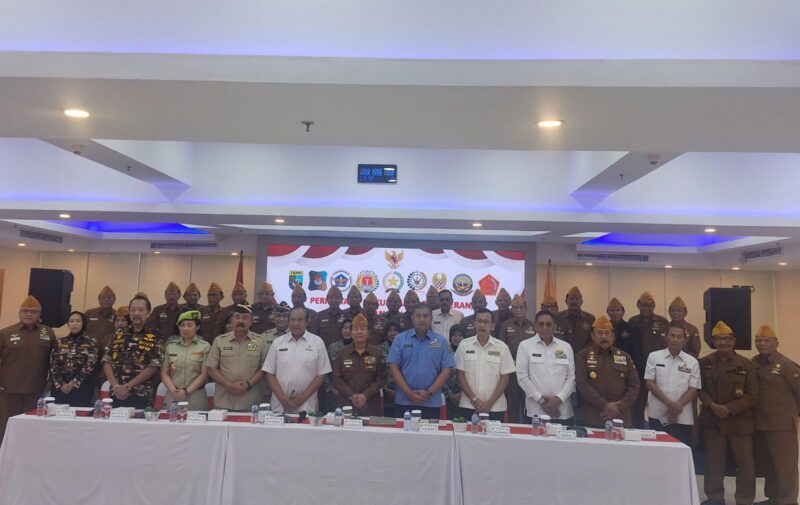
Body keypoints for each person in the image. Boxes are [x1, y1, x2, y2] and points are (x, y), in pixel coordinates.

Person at [699, 321, 758, 505]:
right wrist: (712, 405)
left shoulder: (746, 364)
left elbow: (753, 394)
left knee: (745, 464)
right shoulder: (705, 363)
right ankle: (715, 497)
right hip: (713, 420)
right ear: (713, 342)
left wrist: (729, 409)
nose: (723, 342)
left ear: (733, 341)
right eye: (719, 339)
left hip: (740, 422)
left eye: (727, 339)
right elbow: (700, 389)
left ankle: (745, 499)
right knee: (714, 462)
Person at [751, 324, 800, 505]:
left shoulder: (787, 365)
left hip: (782, 426)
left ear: (776, 343)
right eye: (758, 340)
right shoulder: (753, 363)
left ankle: (788, 501)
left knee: (785, 466)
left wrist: (793, 416)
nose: (762, 344)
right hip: (760, 423)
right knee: (769, 465)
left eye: (766, 341)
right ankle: (772, 498)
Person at [0, 296, 56, 439]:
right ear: (19, 313)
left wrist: (51, 380)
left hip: (36, 391)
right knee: (7, 427)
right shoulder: (5, 333)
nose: (29, 314)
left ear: (39, 314)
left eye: (33, 311)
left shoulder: (48, 333)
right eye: (25, 311)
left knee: (31, 427)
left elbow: (55, 359)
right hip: (9, 390)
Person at [388, 303, 455, 420]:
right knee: (403, 432)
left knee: (429, 432)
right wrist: (409, 393)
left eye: (425, 316)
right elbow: (393, 368)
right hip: (404, 401)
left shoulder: (442, 341)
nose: (422, 319)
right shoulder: (400, 339)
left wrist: (429, 393)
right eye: (418, 316)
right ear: (412, 318)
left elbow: (446, 371)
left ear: (431, 319)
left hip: (431, 402)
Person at [263, 307, 331, 414]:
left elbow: (321, 374)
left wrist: (302, 398)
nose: (296, 323)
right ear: (288, 321)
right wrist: (283, 399)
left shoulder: (318, 342)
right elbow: (269, 373)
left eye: (300, 320)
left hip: (307, 406)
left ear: (307, 322)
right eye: (293, 320)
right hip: (279, 406)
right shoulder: (277, 343)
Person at [575, 315, 640, 427]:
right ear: (593, 336)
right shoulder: (582, 356)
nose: (604, 337)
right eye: (599, 333)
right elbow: (582, 384)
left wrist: (619, 407)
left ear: (613, 336)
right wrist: (604, 405)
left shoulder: (625, 356)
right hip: (595, 416)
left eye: (607, 333)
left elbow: (635, 385)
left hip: (620, 417)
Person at [102, 295, 164, 408]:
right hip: (116, 393)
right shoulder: (118, 333)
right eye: (133, 310)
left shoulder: (156, 335)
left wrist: (128, 386)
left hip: (141, 394)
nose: (136, 313)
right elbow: (106, 361)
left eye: (141, 310)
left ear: (148, 313)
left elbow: (154, 366)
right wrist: (116, 386)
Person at [644, 323, 701, 446]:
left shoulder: (692, 362)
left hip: (682, 416)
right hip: (658, 414)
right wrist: (672, 406)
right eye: (672, 335)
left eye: (679, 337)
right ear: (666, 337)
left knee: (680, 451)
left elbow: (693, 389)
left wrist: (676, 408)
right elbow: (650, 383)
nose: (675, 339)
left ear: (685, 340)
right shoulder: (654, 356)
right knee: (657, 450)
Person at [516, 310, 576, 424]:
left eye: (548, 324)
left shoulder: (566, 347)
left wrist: (558, 400)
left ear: (555, 327)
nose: (545, 327)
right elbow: (522, 377)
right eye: (541, 324)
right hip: (535, 411)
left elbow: (571, 378)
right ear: (535, 326)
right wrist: (542, 401)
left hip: (562, 411)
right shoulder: (525, 346)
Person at [205, 304, 268, 411]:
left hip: (251, 401)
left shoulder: (260, 341)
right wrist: (229, 385)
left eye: (245, 318)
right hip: (224, 400)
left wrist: (248, 385)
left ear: (251, 322)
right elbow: (211, 368)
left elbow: (264, 368)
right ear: (232, 321)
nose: (240, 321)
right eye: (237, 317)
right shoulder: (220, 341)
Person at [456, 309, 515, 421]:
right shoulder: (464, 345)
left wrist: (490, 403)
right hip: (469, 405)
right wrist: (474, 400)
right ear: (474, 323)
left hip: (495, 407)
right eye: (479, 321)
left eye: (486, 321)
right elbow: (460, 376)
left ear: (492, 325)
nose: (482, 325)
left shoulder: (502, 347)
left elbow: (505, 378)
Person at [332, 313, 386, 416]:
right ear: (351, 332)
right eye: (356, 329)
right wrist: (352, 396)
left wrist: (365, 395)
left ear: (368, 332)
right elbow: (336, 379)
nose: (359, 332)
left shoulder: (377, 353)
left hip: (370, 404)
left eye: (363, 329)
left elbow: (381, 378)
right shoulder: (342, 353)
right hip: (346, 404)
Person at [629, 290, 669, 429]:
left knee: (658, 401)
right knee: (637, 403)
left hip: (658, 368)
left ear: (654, 306)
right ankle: (638, 430)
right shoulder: (633, 321)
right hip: (638, 368)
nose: (646, 308)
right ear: (638, 305)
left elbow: (666, 345)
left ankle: (658, 430)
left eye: (649, 305)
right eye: (643, 305)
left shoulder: (662, 322)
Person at [160, 310, 210, 411]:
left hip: (195, 395)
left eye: (189, 325)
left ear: (197, 327)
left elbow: (204, 374)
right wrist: (174, 391)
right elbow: (165, 373)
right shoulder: (171, 346)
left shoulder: (204, 346)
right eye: (182, 325)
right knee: (169, 420)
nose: (185, 328)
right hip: (173, 394)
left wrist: (186, 392)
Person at [498, 294, 535, 423]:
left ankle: (529, 428)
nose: (518, 310)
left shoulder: (533, 326)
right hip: (511, 370)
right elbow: (502, 348)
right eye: (515, 307)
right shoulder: (505, 325)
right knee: (512, 403)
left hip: (529, 371)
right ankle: (512, 428)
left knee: (528, 402)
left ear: (526, 308)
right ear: (511, 309)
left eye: (521, 307)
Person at [49, 311, 98, 407]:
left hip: (81, 388)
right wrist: (61, 384)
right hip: (60, 388)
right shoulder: (59, 342)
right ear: (68, 324)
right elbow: (53, 364)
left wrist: (73, 383)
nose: (74, 324)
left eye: (78, 321)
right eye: (71, 321)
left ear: (83, 323)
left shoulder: (91, 342)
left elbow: (90, 365)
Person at [556, 286, 596, 354]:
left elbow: (592, 340)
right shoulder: (558, 317)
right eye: (571, 299)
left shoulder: (590, 319)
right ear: (566, 301)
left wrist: (583, 354)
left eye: (577, 299)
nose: (574, 301)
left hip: (583, 356)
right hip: (562, 355)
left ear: (581, 302)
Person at [443, 325, 466, 419]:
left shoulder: (469, 352)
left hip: (467, 396)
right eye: (454, 335)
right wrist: (451, 395)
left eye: (460, 335)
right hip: (450, 397)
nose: (457, 338)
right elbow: (441, 376)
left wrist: (463, 394)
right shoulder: (445, 352)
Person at [381, 320, 402, 416]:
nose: (393, 333)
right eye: (390, 330)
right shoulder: (379, 350)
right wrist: (386, 390)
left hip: (404, 392)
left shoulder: (406, 348)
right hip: (386, 395)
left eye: (395, 330)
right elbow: (378, 373)